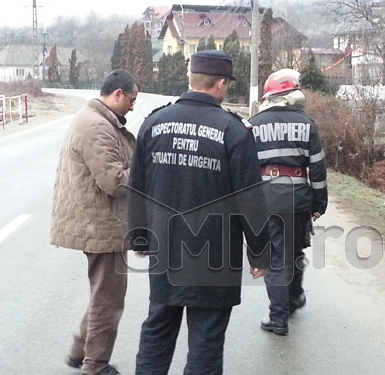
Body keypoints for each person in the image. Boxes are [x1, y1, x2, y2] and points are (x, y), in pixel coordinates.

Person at [128, 50, 270, 375]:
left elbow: (137, 186)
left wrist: (139, 238)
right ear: (221, 83)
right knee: (206, 339)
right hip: (215, 256)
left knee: (158, 329)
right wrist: (260, 255)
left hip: (165, 249)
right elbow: (250, 199)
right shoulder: (234, 131)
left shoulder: (155, 122)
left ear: (190, 79)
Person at [50, 69, 138, 375]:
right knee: (109, 301)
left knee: (103, 294)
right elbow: (115, 182)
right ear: (118, 94)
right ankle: (95, 366)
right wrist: (146, 174)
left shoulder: (94, 119)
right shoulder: (98, 127)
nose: (132, 106)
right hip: (102, 225)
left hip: (97, 222)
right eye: (131, 99)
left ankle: (79, 352)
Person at [249, 68, 328, 335]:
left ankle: (278, 317)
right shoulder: (307, 123)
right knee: (294, 253)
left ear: (269, 96)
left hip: (266, 199)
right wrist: (319, 203)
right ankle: (294, 298)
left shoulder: (254, 123)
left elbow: (246, 169)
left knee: (274, 258)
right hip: (298, 199)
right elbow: (317, 168)